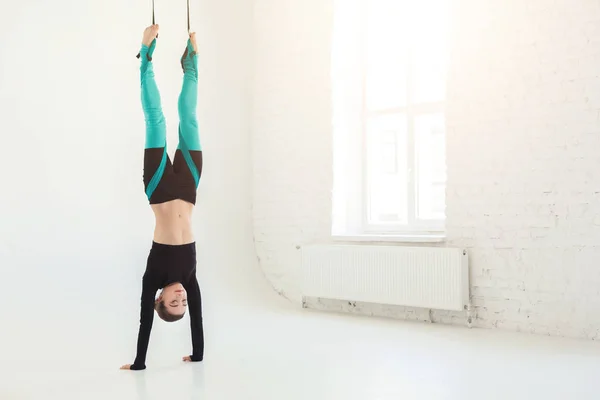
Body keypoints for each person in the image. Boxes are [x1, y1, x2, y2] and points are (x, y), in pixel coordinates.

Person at [120, 25, 204, 371]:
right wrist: (198, 355)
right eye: (183, 303)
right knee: (190, 119)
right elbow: (198, 321)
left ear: (161, 299)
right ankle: (192, 61)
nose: (181, 299)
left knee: (155, 119)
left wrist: (139, 362)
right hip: (188, 188)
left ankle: (146, 57)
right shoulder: (189, 277)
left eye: (174, 303)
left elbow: (145, 322)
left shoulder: (152, 278)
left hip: (158, 188)